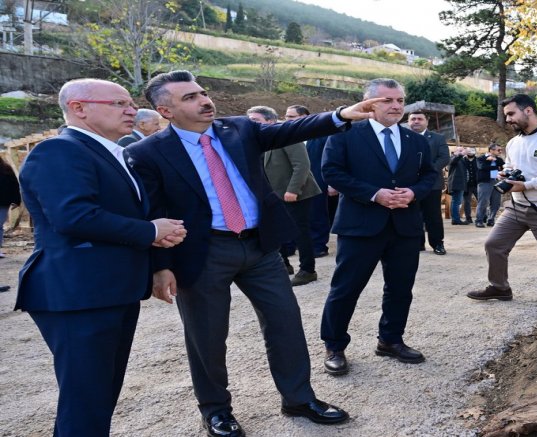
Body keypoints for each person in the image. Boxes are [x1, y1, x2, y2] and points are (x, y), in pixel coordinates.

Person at [127, 70, 376, 435]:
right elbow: (155, 212)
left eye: (202, 92)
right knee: (207, 336)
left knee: (285, 323)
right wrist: (161, 267)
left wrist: (341, 115)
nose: (204, 100)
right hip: (203, 251)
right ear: (165, 111)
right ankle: (216, 410)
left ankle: (298, 398)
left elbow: (291, 130)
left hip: (259, 247)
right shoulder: (146, 153)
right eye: (190, 98)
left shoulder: (240, 129)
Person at [15, 78, 187, 435]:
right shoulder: (59, 151)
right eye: (118, 103)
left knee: (100, 393)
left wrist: (156, 260)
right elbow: (73, 216)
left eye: (130, 103)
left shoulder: (112, 152)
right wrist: (151, 231)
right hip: (77, 293)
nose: (131, 110)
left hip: (109, 290)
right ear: (78, 108)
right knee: (86, 397)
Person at [319, 78, 439, 376]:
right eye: (388, 100)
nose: (396, 106)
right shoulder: (346, 133)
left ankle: (390, 340)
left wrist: (413, 192)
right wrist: (375, 194)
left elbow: (428, 176)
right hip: (360, 225)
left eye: (400, 100)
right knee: (346, 289)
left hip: (405, 226)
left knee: (400, 288)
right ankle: (334, 345)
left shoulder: (416, 139)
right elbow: (331, 171)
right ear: (368, 102)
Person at [466, 94, 537, 320]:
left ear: (528, 111)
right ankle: (500, 287)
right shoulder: (513, 142)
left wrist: (527, 185)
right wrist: (505, 173)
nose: (507, 119)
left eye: (511, 114)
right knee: (494, 244)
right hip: (517, 208)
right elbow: (510, 166)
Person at [247, 106, 322, 286]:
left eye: (255, 120)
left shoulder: (286, 135)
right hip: (273, 194)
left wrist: (293, 190)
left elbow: (302, 165)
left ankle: (307, 270)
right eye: (249, 120)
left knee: (299, 232)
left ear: (271, 121)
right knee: (274, 230)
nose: (251, 124)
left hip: (296, 193)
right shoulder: (257, 139)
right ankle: (284, 266)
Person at [287, 105, 332, 258]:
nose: (287, 119)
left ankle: (318, 246)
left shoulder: (320, 135)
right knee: (296, 216)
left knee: (316, 214)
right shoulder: (286, 136)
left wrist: (331, 183)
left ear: (304, 117)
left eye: (291, 116)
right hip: (293, 183)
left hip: (317, 182)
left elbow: (329, 158)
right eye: (286, 116)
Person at [407, 111, 449, 255]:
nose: (416, 121)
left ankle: (437, 243)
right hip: (409, 184)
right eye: (413, 119)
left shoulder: (438, 138)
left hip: (432, 183)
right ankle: (417, 244)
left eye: (420, 119)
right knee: (412, 215)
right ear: (408, 121)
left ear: (426, 121)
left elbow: (444, 158)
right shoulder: (401, 137)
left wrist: (427, 172)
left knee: (433, 215)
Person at [475, 142, 505, 227]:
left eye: (501, 150)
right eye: (498, 150)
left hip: (497, 182)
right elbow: (482, 167)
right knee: (483, 202)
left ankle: (491, 219)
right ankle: (479, 220)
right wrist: (495, 166)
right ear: (491, 150)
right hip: (485, 182)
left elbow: (504, 167)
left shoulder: (499, 159)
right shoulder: (481, 158)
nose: (500, 151)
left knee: (496, 203)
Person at [0, 156, 20, 258]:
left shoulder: (6, 169)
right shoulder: (6, 169)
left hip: (3, 202)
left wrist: (16, 200)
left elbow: (14, 185)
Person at [447, 147, 468, 225]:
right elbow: (452, 162)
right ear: (455, 151)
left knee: (457, 201)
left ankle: (456, 219)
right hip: (455, 183)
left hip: (460, 183)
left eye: (462, 151)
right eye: (460, 150)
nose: (462, 152)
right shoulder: (452, 157)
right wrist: (460, 155)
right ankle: (456, 219)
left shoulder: (461, 159)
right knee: (456, 201)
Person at [461, 148, 478, 224]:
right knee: (467, 202)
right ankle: (468, 218)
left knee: (481, 201)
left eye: (472, 151)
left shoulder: (478, 160)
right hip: (466, 185)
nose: (471, 153)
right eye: (469, 152)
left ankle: (483, 216)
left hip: (477, 184)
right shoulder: (462, 160)